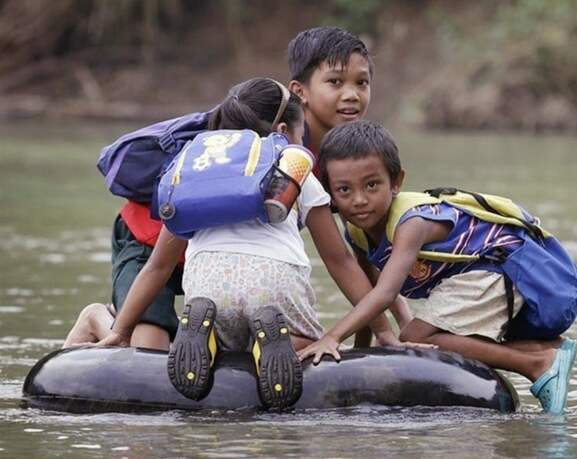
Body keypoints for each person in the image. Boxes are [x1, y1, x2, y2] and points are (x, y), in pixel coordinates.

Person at [86, 78, 429, 411]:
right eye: (300, 133)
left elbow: (157, 267)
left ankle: (208, 341)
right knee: (305, 344)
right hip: (274, 288)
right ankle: (268, 347)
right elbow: (340, 260)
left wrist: (121, 331)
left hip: (208, 288)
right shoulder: (293, 168)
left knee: (220, 333)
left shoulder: (196, 170)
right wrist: (383, 331)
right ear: (284, 132)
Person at [79, 26, 410, 350]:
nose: (351, 94)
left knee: (211, 335)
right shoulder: (276, 139)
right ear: (300, 92)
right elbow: (342, 259)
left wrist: (392, 330)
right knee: (148, 349)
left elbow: (359, 247)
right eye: (336, 82)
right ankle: (97, 319)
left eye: (361, 83)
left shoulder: (343, 157)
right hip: (149, 241)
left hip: (217, 261)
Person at [297, 120, 577, 415]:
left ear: (396, 182)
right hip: (477, 277)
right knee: (414, 336)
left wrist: (332, 338)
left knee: (415, 337)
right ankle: (541, 351)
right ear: (330, 193)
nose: (359, 200)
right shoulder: (356, 231)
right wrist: (364, 353)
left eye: (372, 185)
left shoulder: (412, 223)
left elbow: (384, 292)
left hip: (504, 268)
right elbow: (370, 292)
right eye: (344, 190)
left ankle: (536, 364)